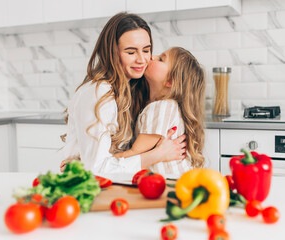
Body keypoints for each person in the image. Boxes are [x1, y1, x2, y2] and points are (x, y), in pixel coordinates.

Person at [60, 12, 186, 174]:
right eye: (131, 52)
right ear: (112, 54)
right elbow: (97, 168)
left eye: (146, 50)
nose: (142, 59)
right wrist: (157, 154)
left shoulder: (133, 88)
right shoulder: (99, 93)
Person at [114, 47, 206, 175]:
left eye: (161, 59)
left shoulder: (162, 107)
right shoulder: (160, 105)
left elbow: (134, 154)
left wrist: (105, 161)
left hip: (170, 183)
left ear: (170, 81)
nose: (152, 56)